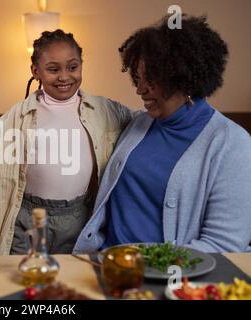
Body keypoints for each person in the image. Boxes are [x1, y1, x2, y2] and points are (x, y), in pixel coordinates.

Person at [73, 15, 251, 254]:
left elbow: (223, 246)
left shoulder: (234, 145)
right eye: (137, 79)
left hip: (169, 279)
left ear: (183, 77)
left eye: (150, 80)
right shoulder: (137, 125)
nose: (140, 89)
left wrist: (150, 269)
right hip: (108, 268)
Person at [0, 30, 131, 255]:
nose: (64, 77)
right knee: (22, 277)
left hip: (78, 216)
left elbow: (144, 124)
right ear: (36, 71)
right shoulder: (19, 114)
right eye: (53, 69)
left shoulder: (106, 110)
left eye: (72, 67)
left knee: (70, 281)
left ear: (81, 64)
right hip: (28, 216)